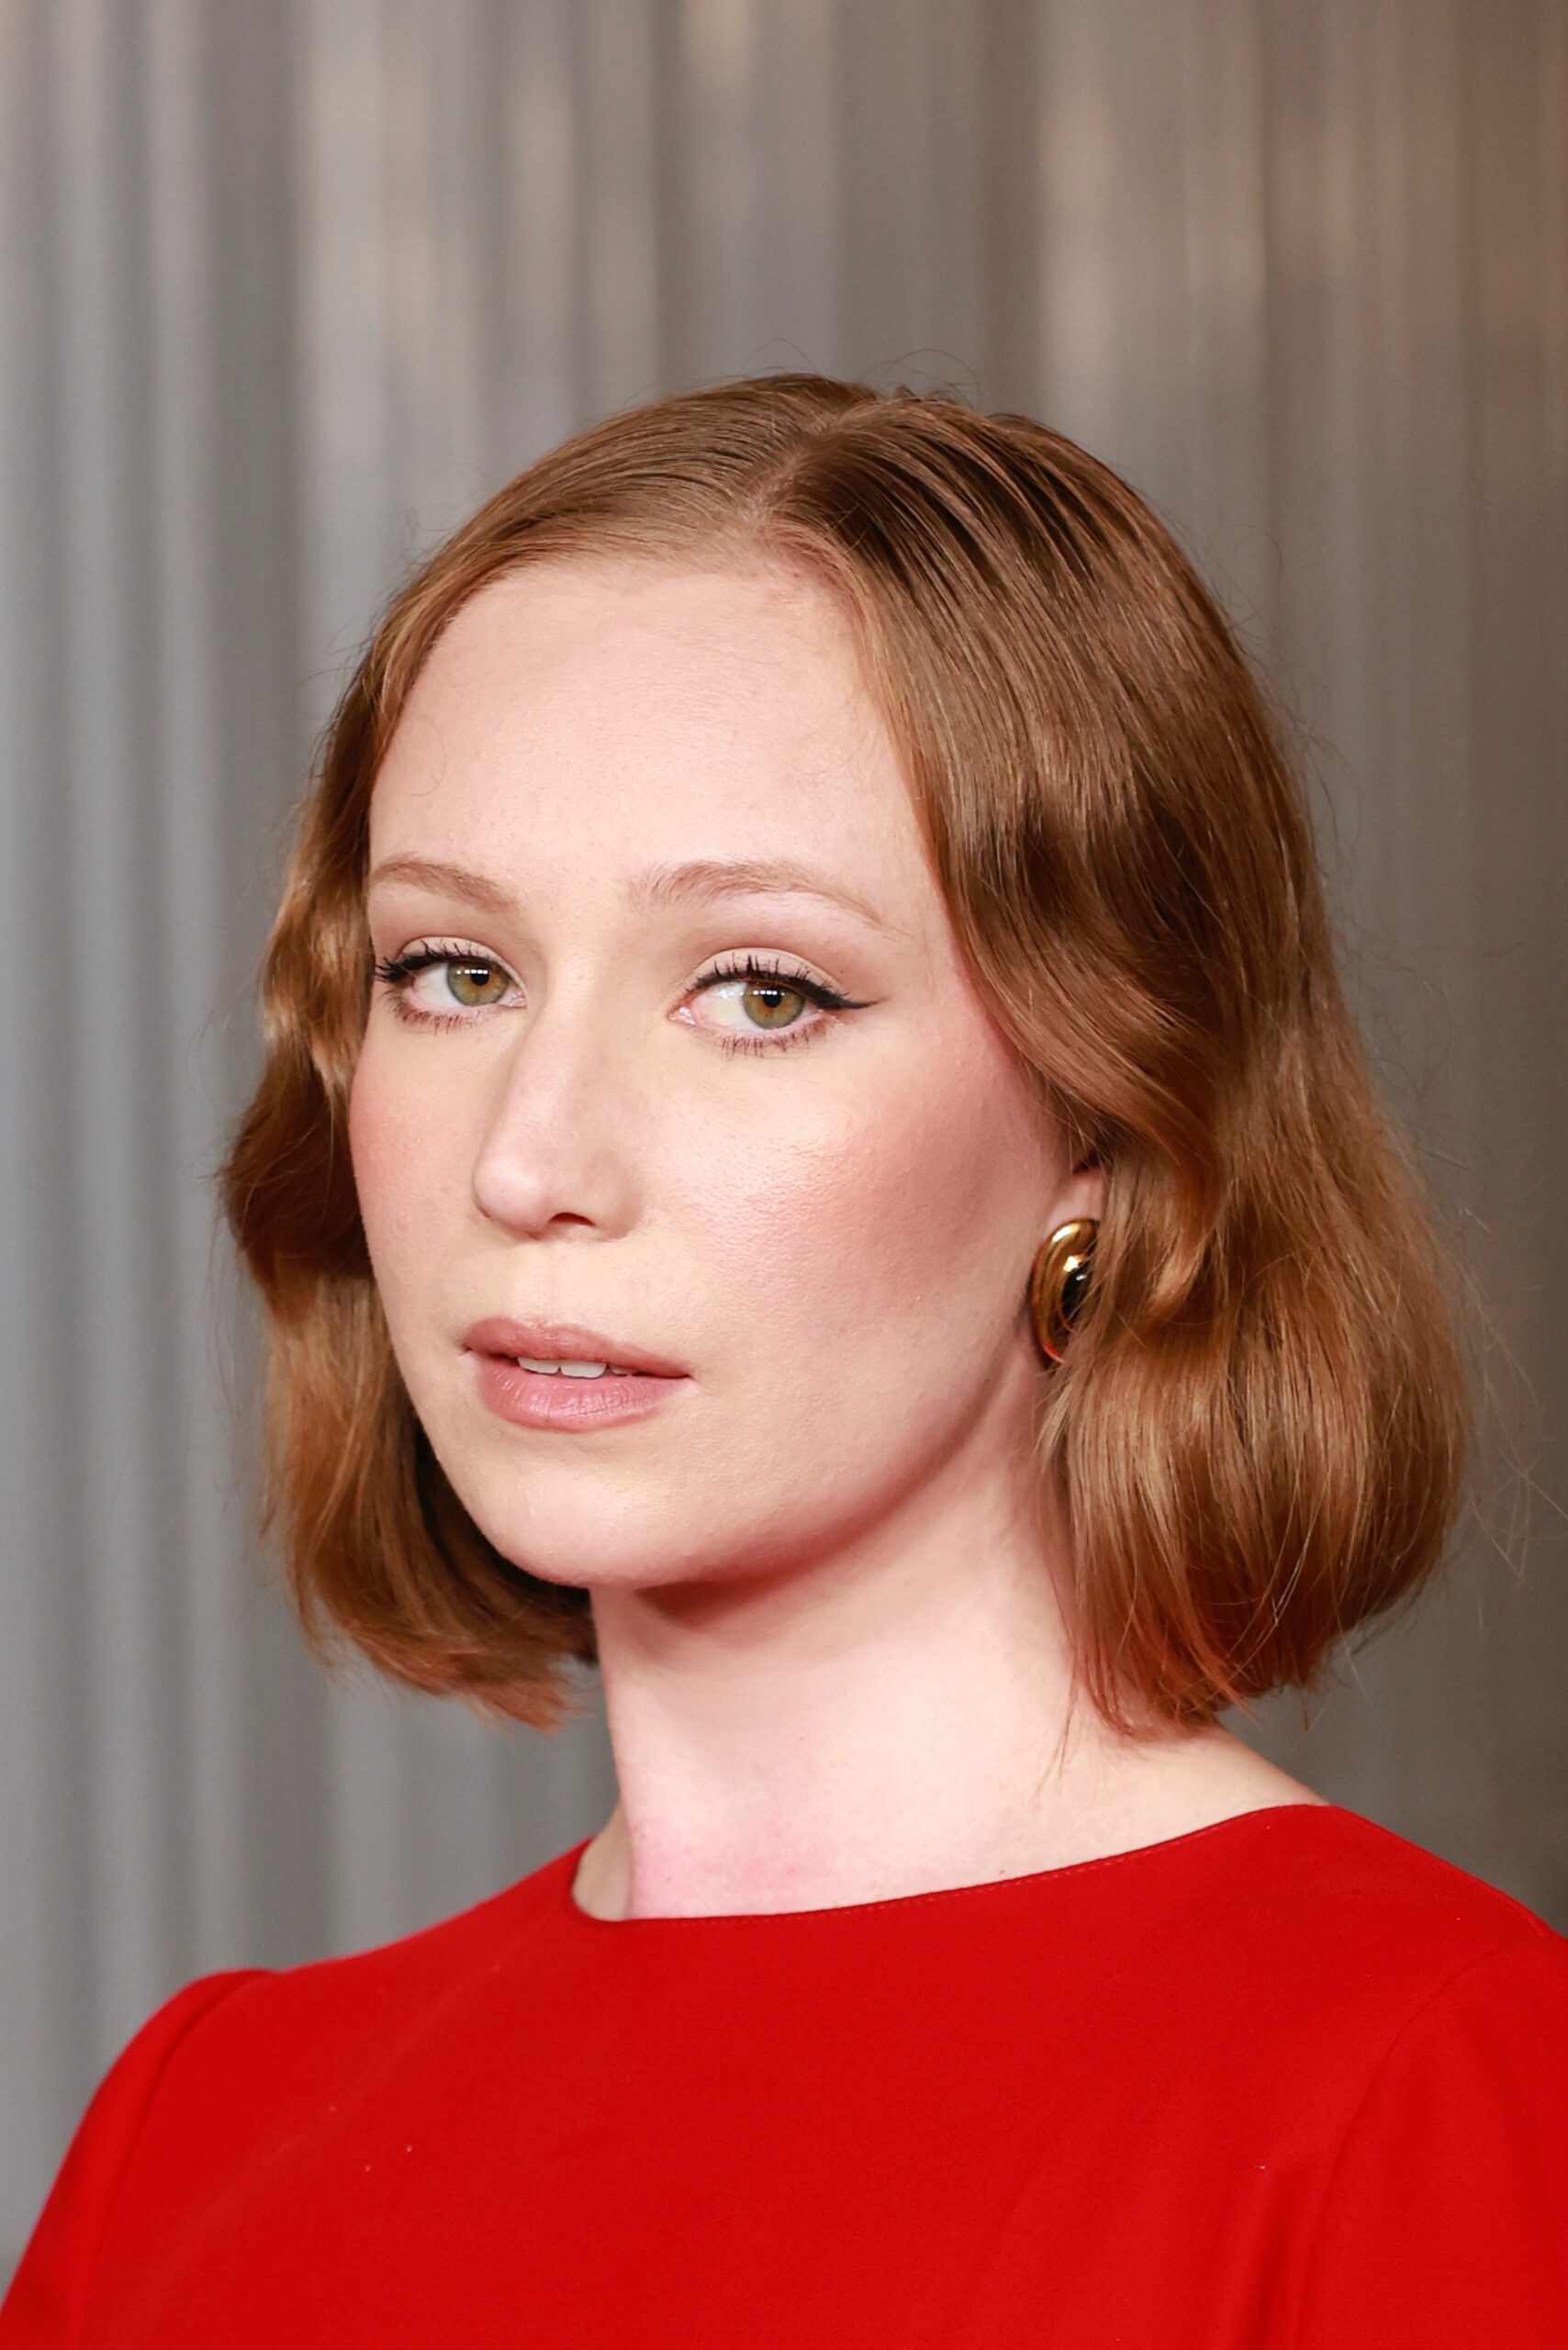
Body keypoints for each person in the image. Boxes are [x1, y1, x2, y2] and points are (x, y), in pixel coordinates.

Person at [3, 371, 1564, 2345]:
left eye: (760, 991)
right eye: (453, 971)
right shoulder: (196, 2139)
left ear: (1110, 1117)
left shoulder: (1425, 2096)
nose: (528, 1161)